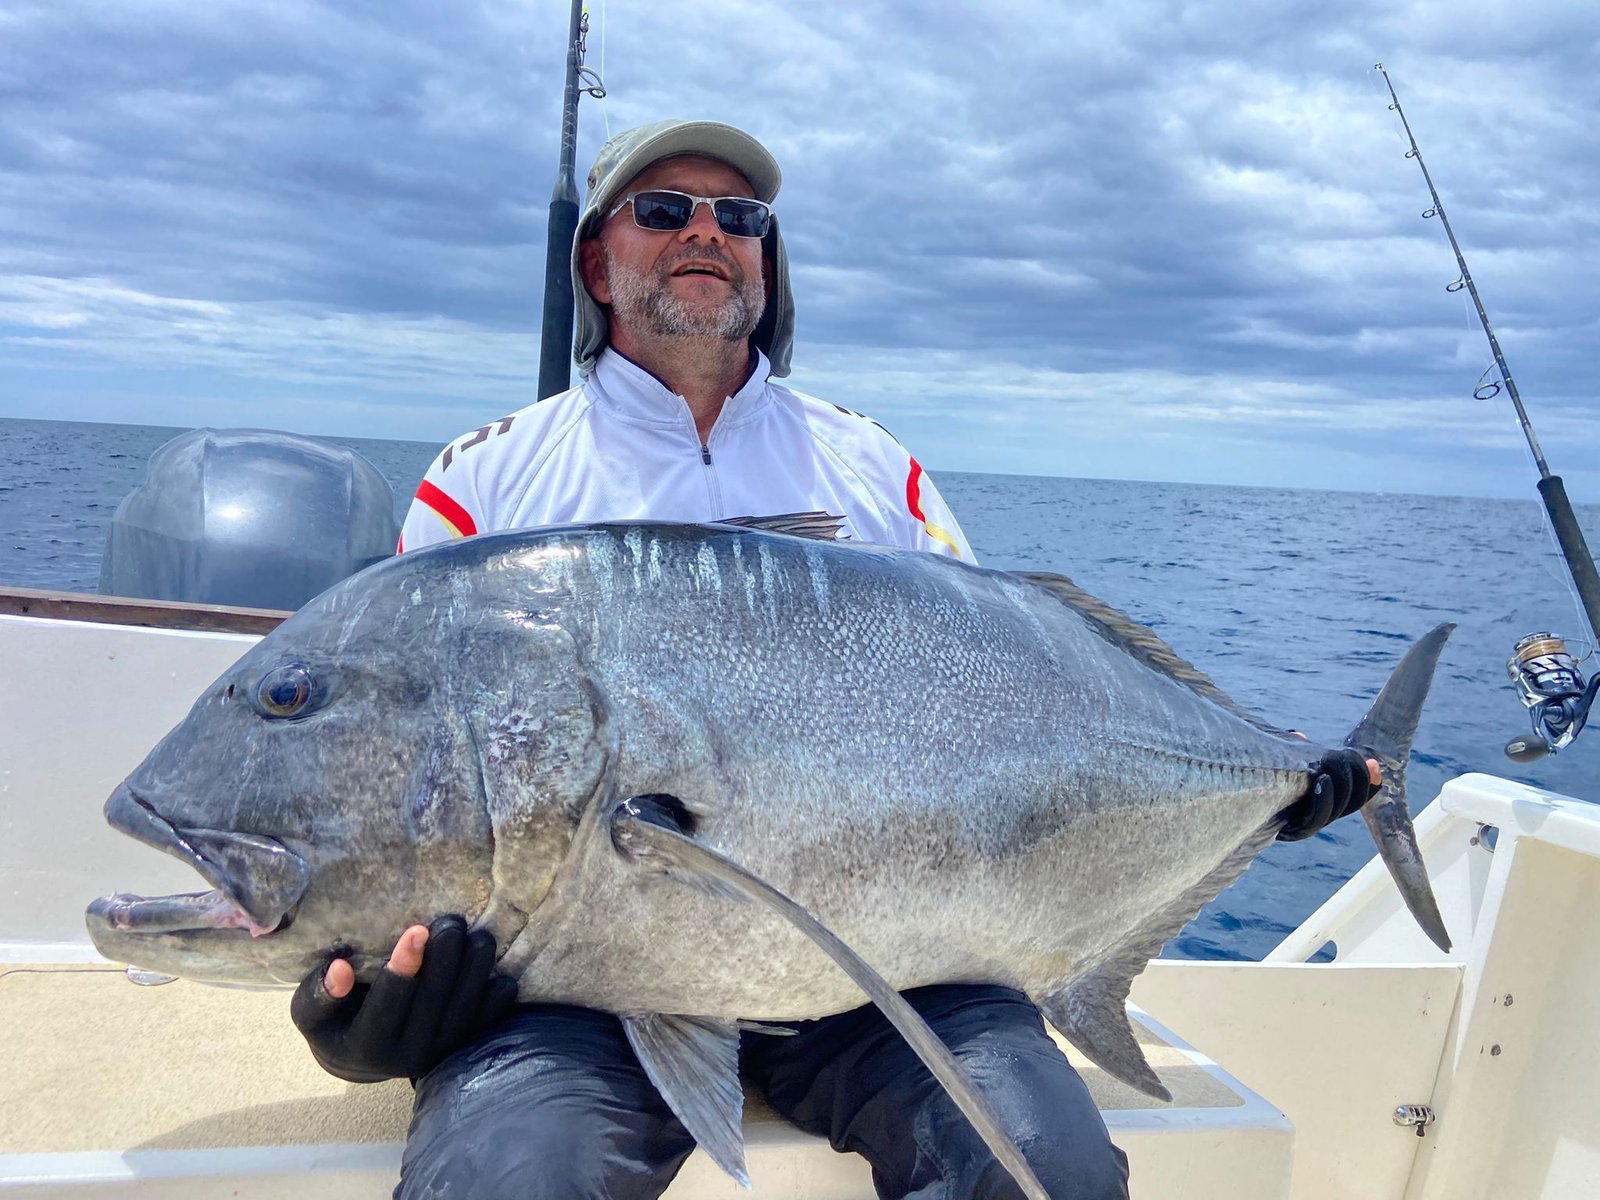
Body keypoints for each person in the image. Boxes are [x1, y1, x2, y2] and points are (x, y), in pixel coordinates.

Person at [290, 120, 1380, 1200]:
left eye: (741, 217)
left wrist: (1256, 776)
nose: (705, 233)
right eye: (664, 210)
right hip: (572, 994)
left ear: (768, 256)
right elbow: (409, 756)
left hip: (886, 969)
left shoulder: (873, 468)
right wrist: (381, 975)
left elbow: (1018, 696)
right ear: (596, 261)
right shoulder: (483, 486)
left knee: (1049, 1178)